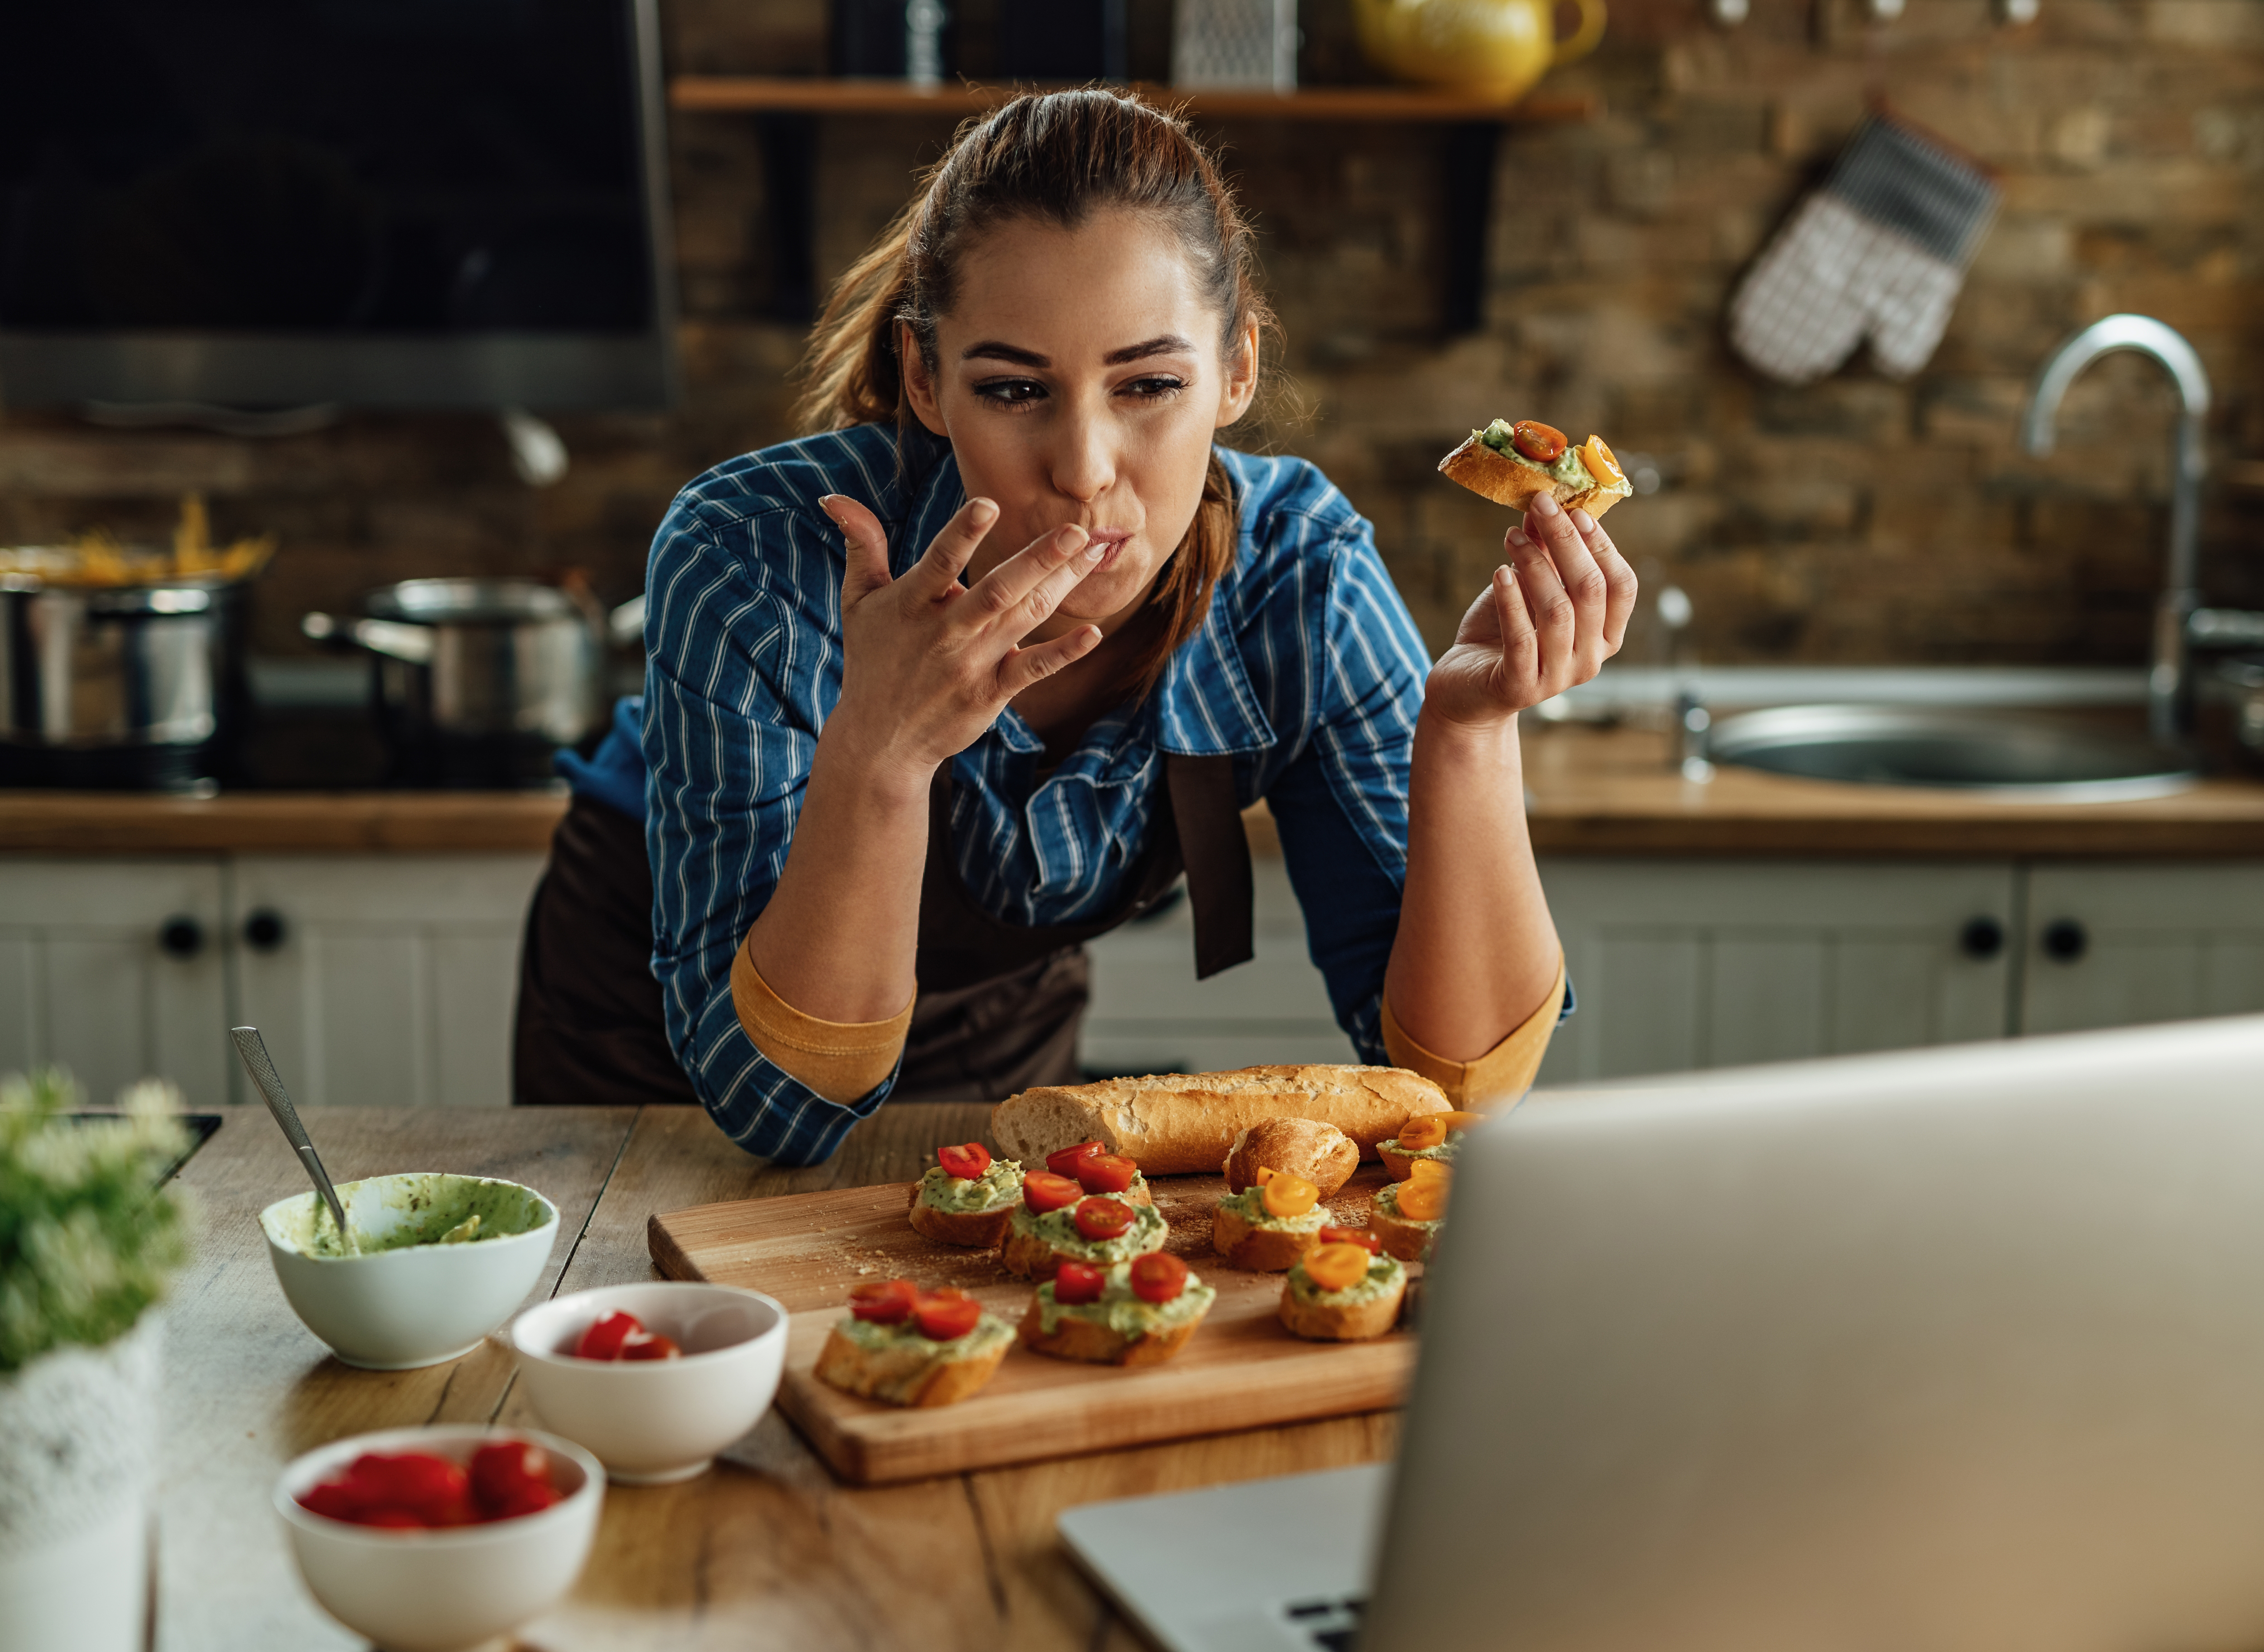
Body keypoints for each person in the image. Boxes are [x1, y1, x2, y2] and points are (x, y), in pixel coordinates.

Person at [513, 89, 1636, 1165]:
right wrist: (882, 751)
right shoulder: (751, 552)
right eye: (1013, 391)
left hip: (1000, 1028)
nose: (1085, 471)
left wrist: (1470, 734)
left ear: (1236, 368)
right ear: (923, 377)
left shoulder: (1302, 574)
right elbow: (776, 1115)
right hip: (662, 1052)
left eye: (1147, 386)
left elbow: (1457, 1097)